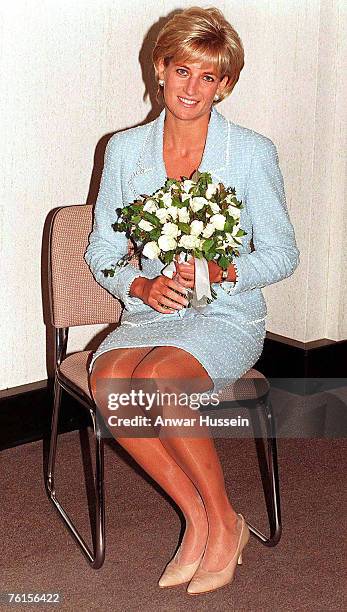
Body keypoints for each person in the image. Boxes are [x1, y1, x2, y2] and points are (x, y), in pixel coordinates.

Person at [84, 6, 300, 596]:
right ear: (161, 69)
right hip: (150, 312)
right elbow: (101, 248)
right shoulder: (125, 150)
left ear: (226, 84)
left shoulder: (251, 152)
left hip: (227, 316)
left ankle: (225, 521)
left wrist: (220, 270)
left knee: (156, 381)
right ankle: (203, 518)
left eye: (209, 77)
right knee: (109, 384)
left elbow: (282, 255)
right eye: (183, 71)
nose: (193, 88)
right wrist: (141, 285)